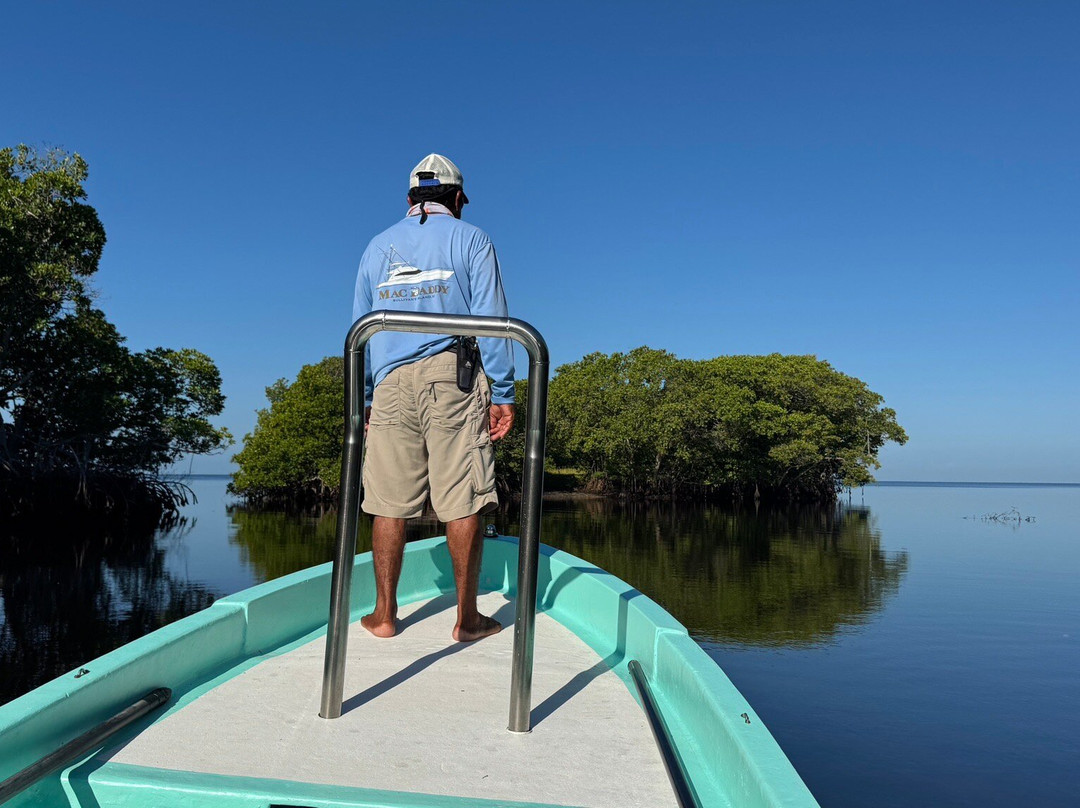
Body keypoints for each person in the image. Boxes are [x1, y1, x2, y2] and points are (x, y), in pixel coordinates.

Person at [353, 153, 515, 642]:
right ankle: (467, 620)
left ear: (410, 199)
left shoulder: (376, 247)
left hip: (387, 384)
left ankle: (383, 617)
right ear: (458, 198)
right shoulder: (472, 238)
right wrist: (503, 393)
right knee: (462, 498)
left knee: (388, 502)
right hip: (453, 378)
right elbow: (492, 319)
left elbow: (359, 329)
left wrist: (365, 397)